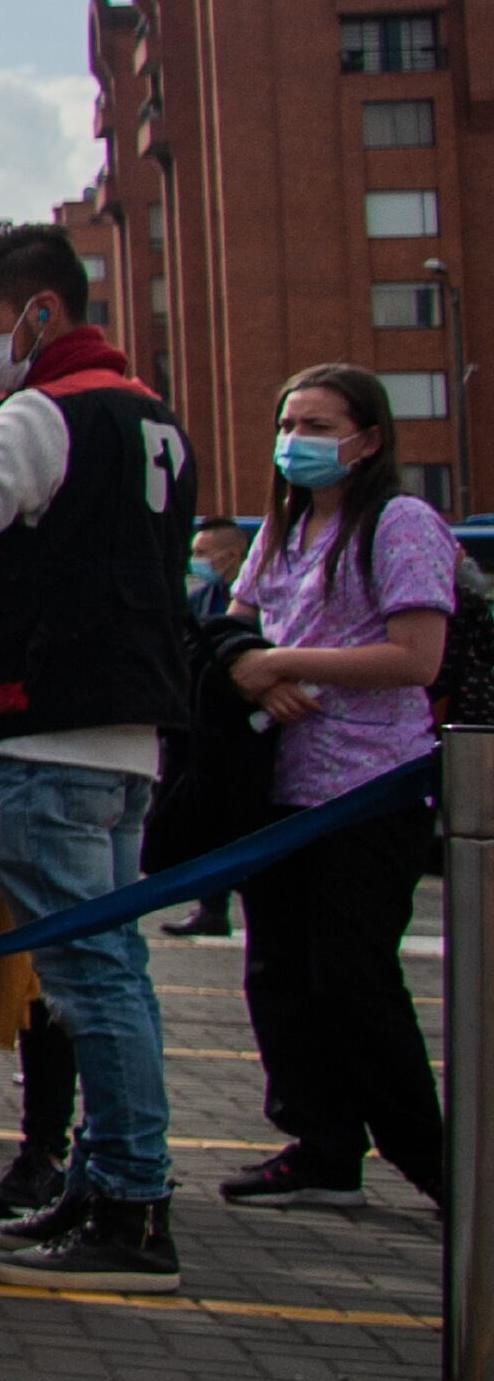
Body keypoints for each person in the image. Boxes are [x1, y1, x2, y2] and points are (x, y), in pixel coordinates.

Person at [0, 223, 199, 1288]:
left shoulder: (41, 415)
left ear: (39, 311)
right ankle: (112, 1177)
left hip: (44, 721)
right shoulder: (142, 412)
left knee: (90, 974)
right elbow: (51, 503)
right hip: (121, 728)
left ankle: (127, 1204)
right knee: (111, 972)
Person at [219, 366, 454, 1210]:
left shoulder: (398, 523)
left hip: (370, 787)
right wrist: (249, 670)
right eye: (290, 422)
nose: (298, 440)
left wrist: (284, 662)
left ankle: (435, 1162)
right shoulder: (281, 531)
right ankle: (321, 1145)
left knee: (352, 979)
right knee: (278, 973)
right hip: (281, 790)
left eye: (319, 424)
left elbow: (415, 657)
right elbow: (235, 629)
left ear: (370, 439)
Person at [166, 516, 259, 939]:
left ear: (232, 557)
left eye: (202, 554)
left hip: (251, 728)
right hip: (204, 725)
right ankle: (211, 904)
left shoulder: (254, 601)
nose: (195, 562)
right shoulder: (203, 597)